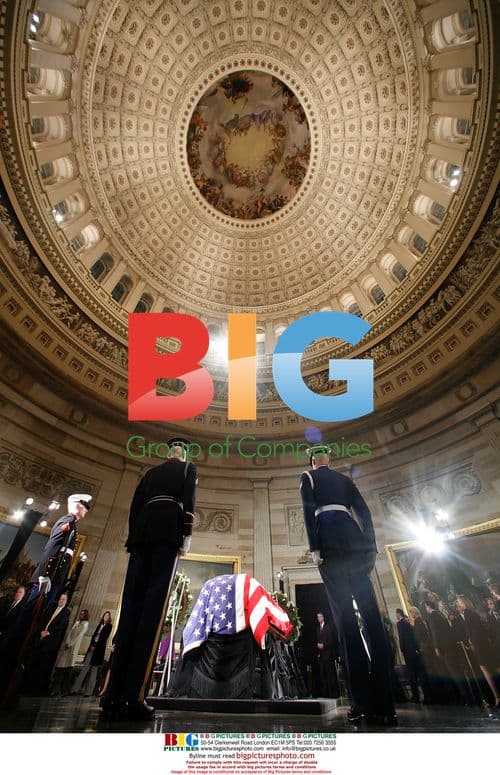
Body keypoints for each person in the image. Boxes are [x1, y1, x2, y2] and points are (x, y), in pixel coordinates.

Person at [100, 438, 197, 721]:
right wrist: (186, 533)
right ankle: (134, 696)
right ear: (184, 453)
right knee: (152, 614)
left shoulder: (151, 472)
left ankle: (111, 695)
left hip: (141, 536)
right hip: (167, 533)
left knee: (130, 610)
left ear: (168, 453)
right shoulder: (188, 469)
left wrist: (134, 535)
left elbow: (134, 507)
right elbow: (189, 501)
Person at [299, 444, 396, 726]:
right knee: (373, 621)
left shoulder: (308, 477)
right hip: (355, 546)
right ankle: (386, 705)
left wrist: (314, 548)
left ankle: (361, 704)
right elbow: (364, 513)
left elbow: (308, 511)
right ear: (328, 459)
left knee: (346, 625)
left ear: (313, 461)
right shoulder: (344, 480)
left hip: (330, 548)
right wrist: (371, 546)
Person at [23, 592, 70, 696]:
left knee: (43, 667)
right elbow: (43, 620)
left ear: (66, 602)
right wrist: (41, 631)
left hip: (50, 642)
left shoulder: (66, 612)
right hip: (41, 639)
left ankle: (37, 689)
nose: (61, 601)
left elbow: (61, 626)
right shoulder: (51, 609)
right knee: (34, 663)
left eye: (63, 599)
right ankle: (27, 687)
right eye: (60, 599)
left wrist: (48, 632)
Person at [72, 611, 112, 696]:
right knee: (84, 669)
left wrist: (96, 646)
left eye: (107, 616)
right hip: (91, 648)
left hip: (98, 651)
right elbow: (94, 636)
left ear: (109, 618)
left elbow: (103, 638)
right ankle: (75, 689)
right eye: (105, 615)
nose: (106, 617)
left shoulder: (109, 626)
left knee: (94, 672)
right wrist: (91, 646)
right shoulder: (99, 625)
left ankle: (88, 692)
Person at [51, 608, 89, 695]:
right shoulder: (77, 622)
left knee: (68, 669)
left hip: (74, 646)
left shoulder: (85, 624)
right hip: (67, 645)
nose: (81, 615)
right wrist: (67, 642)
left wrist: (71, 644)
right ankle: (56, 688)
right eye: (80, 614)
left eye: (83, 614)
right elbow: (70, 632)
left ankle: (65, 690)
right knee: (60, 667)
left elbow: (79, 635)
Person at [396, 608, 425, 702]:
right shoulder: (408, 622)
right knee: (418, 674)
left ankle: (416, 697)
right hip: (414, 651)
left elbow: (402, 638)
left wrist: (402, 649)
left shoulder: (400, 623)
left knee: (412, 675)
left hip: (409, 652)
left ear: (398, 614)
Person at [315, 611, 339, 698]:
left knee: (330, 674)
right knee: (323, 675)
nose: (319, 618)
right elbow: (318, 639)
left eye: (320, 616)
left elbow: (331, 640)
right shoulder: (318, 629)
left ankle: (333, 693)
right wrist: (318, 646)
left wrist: (324, 645)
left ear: (323, 617)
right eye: (318, 617)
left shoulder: (328, 627)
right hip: (321, 655)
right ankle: (326, 694)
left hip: (328, 654)